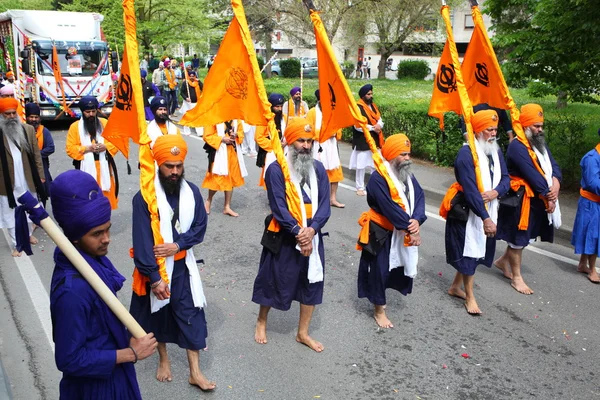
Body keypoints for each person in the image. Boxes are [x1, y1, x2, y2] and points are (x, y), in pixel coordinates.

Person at [49, 170, 157, 400]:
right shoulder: (73, 291)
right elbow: (68, 360)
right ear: (74, 237)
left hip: (116, 378)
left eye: (107, 228)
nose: (107, 238)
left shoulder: (92, 262)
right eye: (97, 233)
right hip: (94, 390)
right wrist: (130, 354)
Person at [129, 134, 215, 390]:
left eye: (179, 167)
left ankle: (195, 372)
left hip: (183, 267)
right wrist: (154, 279)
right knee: (159, 315)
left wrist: (178, 245)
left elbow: (200, 227)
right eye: (169, 166)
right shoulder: (143, 198)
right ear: (158, 165)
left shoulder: (192, 193)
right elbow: (143, 242)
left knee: (191, 315)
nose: (175, 172)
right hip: (155, 271)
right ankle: (164, 360)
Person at [252, 117, 331, 352]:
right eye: (301, 141)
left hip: (312, 235)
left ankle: (303, 333)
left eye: (309, 141)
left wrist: (312, 230)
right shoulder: (276, 169)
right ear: (289, 142)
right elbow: (278, 206)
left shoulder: (318, 169)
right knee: (272, 280)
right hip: (286, 236)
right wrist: (298, 232)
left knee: (311, 283)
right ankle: (261, 321)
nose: (306, 146)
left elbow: (325, 205)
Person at [441, 110, 509, 314]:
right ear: (478, 130)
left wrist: (495, 192)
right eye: (489, 129)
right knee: (470, 253)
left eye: (496, 129)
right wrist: (485, 218)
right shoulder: (465, 154)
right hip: (469, 212)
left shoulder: (495, 151)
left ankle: (455, 287)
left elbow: (506, 178)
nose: (494, 133)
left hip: (491, 206)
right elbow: (471, 191)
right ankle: (469, 296)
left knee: (477, 252)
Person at [356, 134, 425, 327]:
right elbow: (389, 208)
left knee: (395, 268)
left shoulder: (407, 175)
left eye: (408, 154)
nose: (407, 158)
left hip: (403, 228)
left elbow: (419, 197)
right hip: (381, 231)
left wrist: (417, 220)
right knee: (379, 270)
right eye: (403, 154)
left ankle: (382, 300)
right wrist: (411, 228)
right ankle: (378, 310)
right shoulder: (378, 178)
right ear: (392, 156)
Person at [495, 104, 562, 295]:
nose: (540, 130)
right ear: (525, 125)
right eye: (536, 126)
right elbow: (532, 175)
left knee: (526, 236)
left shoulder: (538, 143)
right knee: (519, 238)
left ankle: (501, 262)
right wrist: (549, 195)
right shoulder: (517, 146)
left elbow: (555, 166)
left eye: (541, 126)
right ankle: (517, 278)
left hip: (538, 198)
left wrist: (555, 185)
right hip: (521, 200)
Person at [0, 97, 45, 256]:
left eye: (14, 113)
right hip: (6, 180)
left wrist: (40, 175)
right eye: (7, 114)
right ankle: (16, 243)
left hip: (27, 177)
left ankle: (27, 235)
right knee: (9, 210)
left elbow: (36, 155)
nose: (12, 116)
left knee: (29, 207)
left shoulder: (28, 130)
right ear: (2, 115)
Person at [66, 96, 119, 210]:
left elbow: (116, 143)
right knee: (87, 198)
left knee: (105, 199)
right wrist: (87, 149)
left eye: (93, 111)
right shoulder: (75, 127)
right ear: (82, 112)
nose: (91, 114)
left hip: (104, 167)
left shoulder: (104, 123)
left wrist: (105, 147)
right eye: (87, 112)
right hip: (85, 168)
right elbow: (70, 149)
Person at [306, 89, 345, 208]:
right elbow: (308, 130)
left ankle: (332, 199)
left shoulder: (333, 111)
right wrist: (324, 133)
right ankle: (317, 198)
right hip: (318, 146)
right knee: (317, 172)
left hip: (331, 146)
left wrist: (335, 132)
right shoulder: (312, 112)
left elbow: (339, 128)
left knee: (335, 173)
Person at [571, 130, 600, 284]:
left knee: (591, 233)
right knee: (592, 235)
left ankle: (583, 264)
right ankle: (593, 269)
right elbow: (593, 183)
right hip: (591, 203)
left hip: (596, 202)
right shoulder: (592, 158)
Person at [202, 120, 247, 217]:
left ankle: (227, 206)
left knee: (230, 179)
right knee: (217, 179)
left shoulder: (236, 119)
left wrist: (236, 135)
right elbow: (207, 136)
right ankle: (208, 200)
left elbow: (241, 133)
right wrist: (222, 139)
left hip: (232, 152)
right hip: (219, 152)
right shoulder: (214, 117)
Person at [350, 84, 384, 196]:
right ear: (363, 96)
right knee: (361, 165)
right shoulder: (358, 107)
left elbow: (380, 119)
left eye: (371, 93)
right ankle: (359, 187)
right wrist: (373, 128)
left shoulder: (373, 106)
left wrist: (379, 125)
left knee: (376, 164)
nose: (371, 96)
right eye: (368, 94)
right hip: (362, 140)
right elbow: (358, 126)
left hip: (375, 139)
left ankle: (374, 186)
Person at [25, 102, 54, 206]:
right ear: (26, 117)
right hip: (26, 166)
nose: (34, 120)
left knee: (43, 191)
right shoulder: (23, 131)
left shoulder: (44, 131)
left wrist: (36, 155)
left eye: (36, 117)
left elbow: (51, 148)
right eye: (31, 117)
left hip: (42, 166)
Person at [255, 93, 286, 188]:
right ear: (271, 106)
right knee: (271, 176)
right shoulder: (264, 119)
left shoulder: (284, 117)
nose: (280, 109)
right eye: (277, 107)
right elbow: (259, 137)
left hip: (284, 151)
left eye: (281, 106)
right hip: (270, 153)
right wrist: (275, 145)